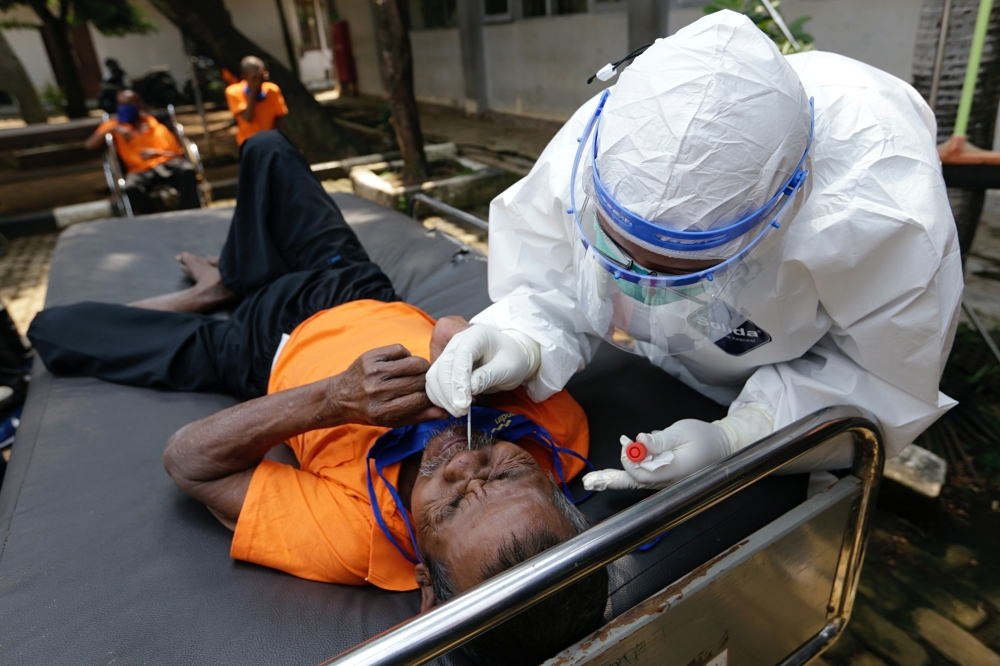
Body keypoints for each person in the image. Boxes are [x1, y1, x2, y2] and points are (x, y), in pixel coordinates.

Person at [28, 131, 607, 665]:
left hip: (257, 347)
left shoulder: (357, 540)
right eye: (506, 475)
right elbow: (537, 324)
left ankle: (217, 293)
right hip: (352, 285)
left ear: (425, 581)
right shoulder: (561, 432)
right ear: (558, 494)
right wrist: (478, 335)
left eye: (452, 504)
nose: (465, 464)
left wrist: (334, 399)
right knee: (266, 147)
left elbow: (189, 461)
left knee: (56, 330)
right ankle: (235, 275)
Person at [426, 10, 964, 491]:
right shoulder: (616, 139)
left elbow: (884, 383)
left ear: (780, 219)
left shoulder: (885, 214)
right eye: (619, 252)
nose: (641, 289)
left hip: (791, 386)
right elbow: (554, 272)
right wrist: (526, 336)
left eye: (681, 273)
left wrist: (742, 435)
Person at [84, 89, 200, 215]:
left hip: (164, 164)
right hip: (138, 170)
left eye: (128, 104)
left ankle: (190, 212)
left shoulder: (155, 125)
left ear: (140, 105)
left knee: (187, 170)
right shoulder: (113, 125)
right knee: (130, 188)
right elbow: (89, 145)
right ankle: (153, 214)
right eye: (120, 104)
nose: (124, 108)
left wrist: (156, 153)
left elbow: (178, 154)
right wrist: (115, 128)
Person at [226, 56, 288, 147]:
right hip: (249, 142)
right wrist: (254, 90)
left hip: (271, 140)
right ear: (244, 77)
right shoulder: (233, 92)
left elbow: (278, 118)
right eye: (253, 77)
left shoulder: (272, 90)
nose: (257, 80)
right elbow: (248, 118)